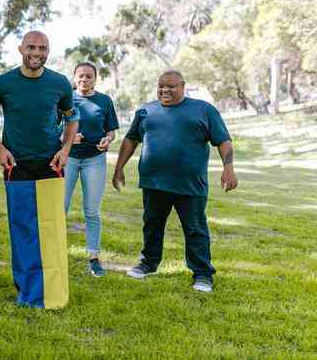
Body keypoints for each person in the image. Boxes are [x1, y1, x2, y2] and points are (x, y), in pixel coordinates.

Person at [112, 69, 238, 293]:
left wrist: (228, 168)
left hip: (190, 184)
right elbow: (131, 140)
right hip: (154, 182)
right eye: (161, 85)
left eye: (171, 86)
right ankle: (148, 263)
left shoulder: (203, 110)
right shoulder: (145, 111)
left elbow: (224, 141)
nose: (165, 90)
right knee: (152, 225)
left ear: (183, 86)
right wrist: (119, 167)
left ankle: (202, 274)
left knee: (195, 229)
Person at [0, 30, 79, 307]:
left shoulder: (60, 84)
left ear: (49, 51)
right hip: (17, 165)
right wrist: (0, 148)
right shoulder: (2, 83)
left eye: (42, 48)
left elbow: (73, 118)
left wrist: (66, 149)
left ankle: (53, 287)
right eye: (31, 47)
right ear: (21, 49)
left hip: (51, 164)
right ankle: (27, 290)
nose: (37, 53)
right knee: (23, 227)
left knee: (52, 228)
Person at [63, 62, 119, 278]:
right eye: (80, 76)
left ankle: (94, 259)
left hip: (95, 159)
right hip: (68, 158)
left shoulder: (104, 101)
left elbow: (111, 131)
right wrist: (68, 137)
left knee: (92, 211)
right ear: (74, 78)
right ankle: (55, 254)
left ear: (95, 79)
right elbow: (53, 128)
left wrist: (108, 139)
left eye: (88, 76)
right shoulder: (65, 99)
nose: (84, 80)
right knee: (60, 209)